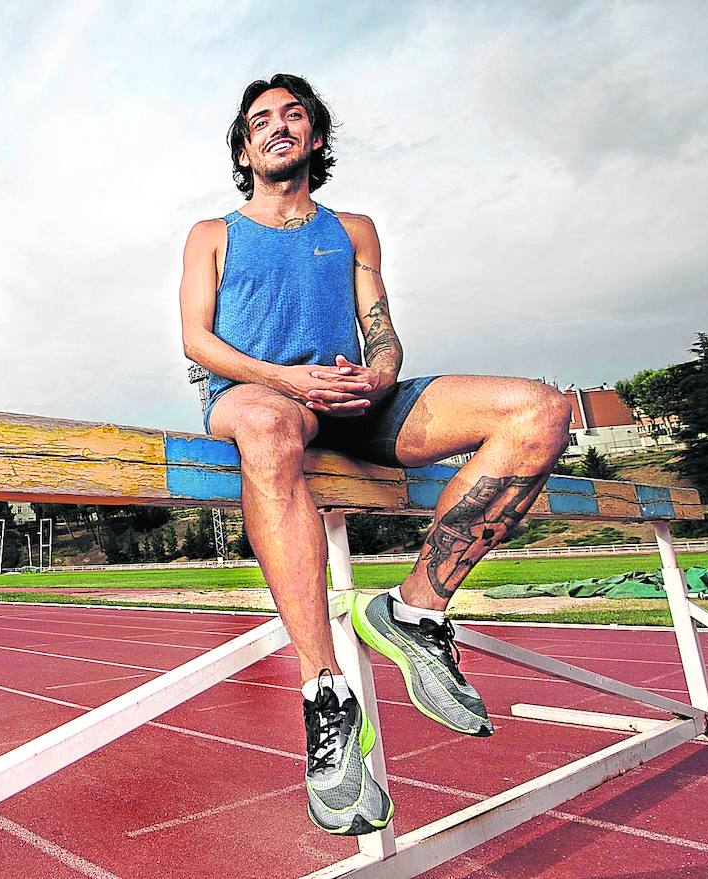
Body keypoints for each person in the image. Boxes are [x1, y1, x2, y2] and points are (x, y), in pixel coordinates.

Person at [177, 73, 572, 836]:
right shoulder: (212, 234)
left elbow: (380, 326)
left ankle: (415, 610)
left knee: (540, 408)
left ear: (316, 137)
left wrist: (379, 376)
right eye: (261, 120)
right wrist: (287, 379)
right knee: (267, 427)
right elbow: (196, 340)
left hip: (353, 398)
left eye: (294, 115)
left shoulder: (352, 227)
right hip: (258, 392)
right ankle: (325, 694)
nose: (278, 126)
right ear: (245, 146)